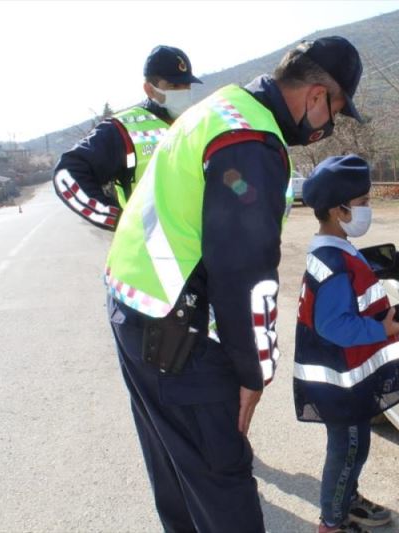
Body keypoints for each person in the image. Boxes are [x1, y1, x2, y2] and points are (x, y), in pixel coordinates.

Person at [104, 36, 364, 532]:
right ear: (314, 96)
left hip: (134, 305)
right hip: (179, 337)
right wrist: (253, 373)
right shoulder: (251, 143)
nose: (329, 126)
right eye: (335, 111)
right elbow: (246, 273)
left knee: (178, 475)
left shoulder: (222, 107)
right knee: (222, 487)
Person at [294, 154, 399, 533]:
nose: (368, 210)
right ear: (338, 210)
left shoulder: (337, 249)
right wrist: (384, 328)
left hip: (347, 380)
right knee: (346, 453)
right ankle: (332, 522)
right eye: (362, 203)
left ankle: (347, 499)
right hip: (338, 385)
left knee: (354, 448)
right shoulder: (332, 262)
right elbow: (336, 326)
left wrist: (383, 319)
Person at [53, 45, 204, 230]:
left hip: (200, 247)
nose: (183, 91)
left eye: (186, 85)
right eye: (173, 86)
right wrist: (116, 219)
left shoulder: (198, 122)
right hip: (149, 253)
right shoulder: (123, 128)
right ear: (149, 89)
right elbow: (67, 173)